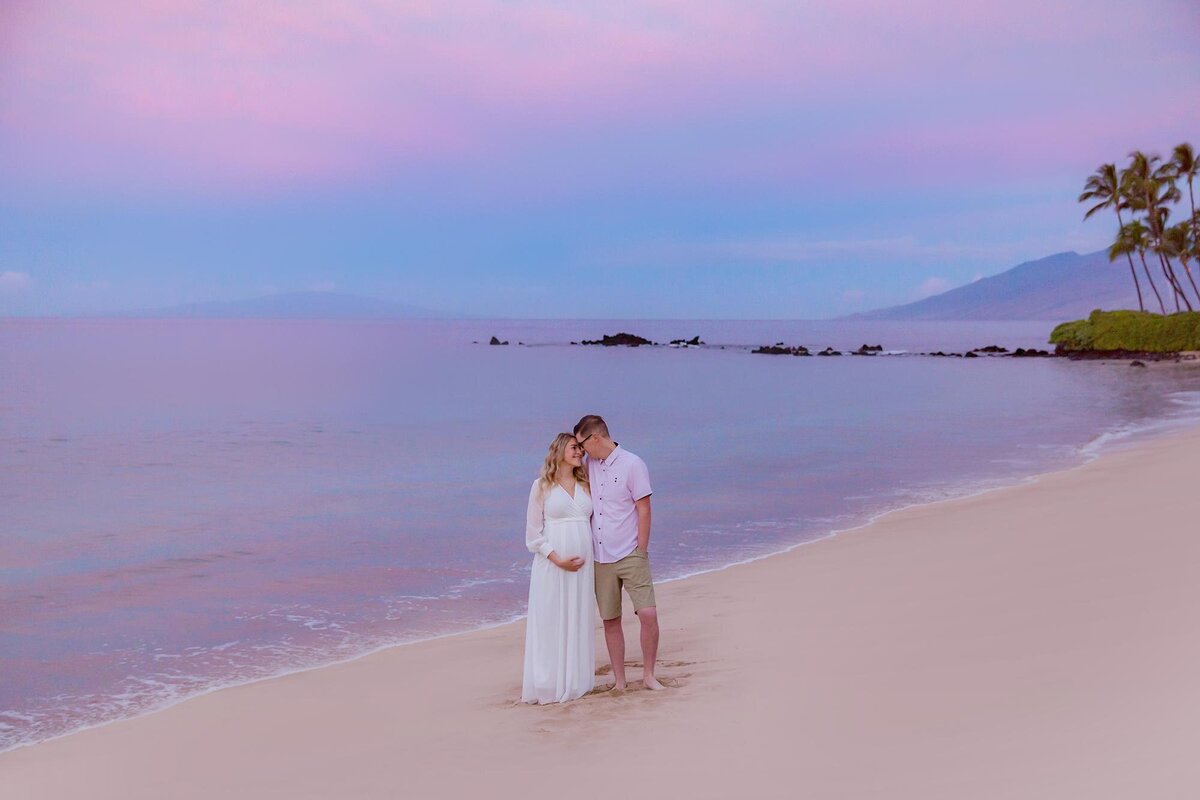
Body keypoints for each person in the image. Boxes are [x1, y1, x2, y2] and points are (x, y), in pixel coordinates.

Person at [573, 415, 664, 691]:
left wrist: (641, 550)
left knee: (647, 613)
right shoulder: (588, 465)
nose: (580, 450)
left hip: (630, 553)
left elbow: (644, 509)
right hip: (601, 558)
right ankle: (620, 682)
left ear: (595, 438)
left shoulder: (633, 464)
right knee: (610, 620)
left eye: (582, 444)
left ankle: (648, 675)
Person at [521, 433, 596, 704]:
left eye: (581, 448)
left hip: (582, 570)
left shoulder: (587, 483)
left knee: (577, 616)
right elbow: (533, 535)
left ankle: (575, 679)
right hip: (552, 566)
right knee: (551, 618)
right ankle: (549, 682)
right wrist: (558, 559)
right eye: (575, 448)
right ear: (560, 450)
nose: (580, 452)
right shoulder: (541, 486)